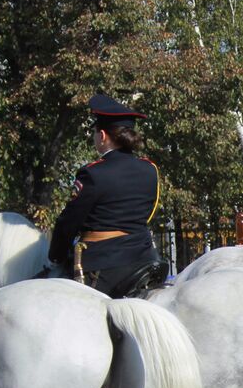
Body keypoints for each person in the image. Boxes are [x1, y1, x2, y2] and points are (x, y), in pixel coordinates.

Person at [49, 95, 164, 297]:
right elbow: (147, 214)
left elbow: (69, 222)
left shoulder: (93, 173)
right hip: (145, 259)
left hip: (103, 265)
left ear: (102, 135)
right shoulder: (150, 169)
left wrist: (57, 255)